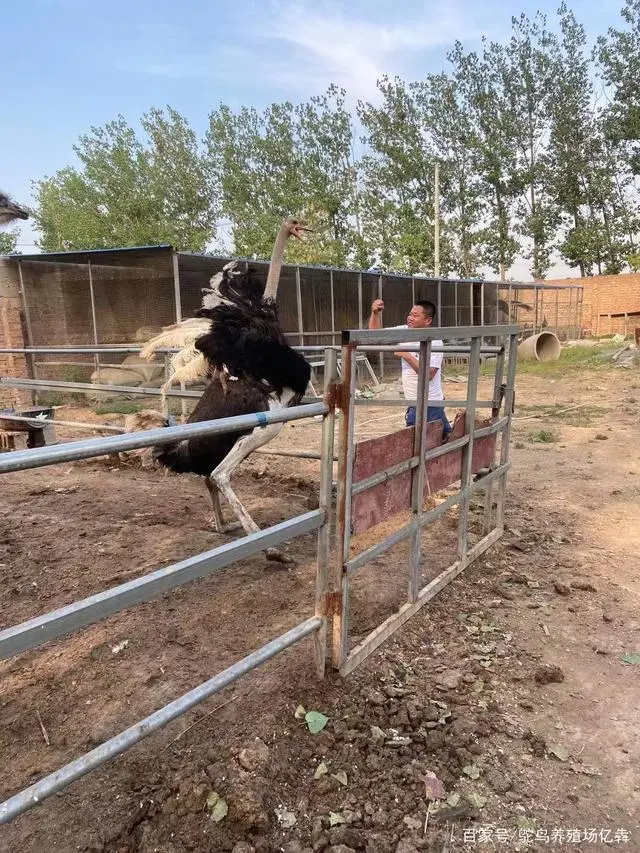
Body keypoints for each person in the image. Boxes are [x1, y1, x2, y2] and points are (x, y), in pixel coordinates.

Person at [368, 298, 452, 435]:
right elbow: (374, 335)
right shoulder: (404, 331)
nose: (410, 318)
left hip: (430, 403)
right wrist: (375, 313)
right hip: (413, 401)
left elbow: (429, 375)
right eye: (410, 314)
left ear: (428, 321)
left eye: (415, 315)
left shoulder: (435, 341)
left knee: (421, 442)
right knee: (440, 438)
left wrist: (406, 355)